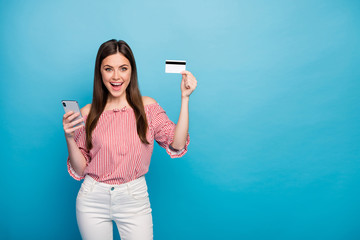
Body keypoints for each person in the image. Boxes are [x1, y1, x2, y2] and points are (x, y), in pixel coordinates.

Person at [62, 39, 197, 240]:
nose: (116, 76)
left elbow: (177, 144)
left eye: (123, 68)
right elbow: (80, 169)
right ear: (100, 72)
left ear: (131, 71)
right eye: (108, 69)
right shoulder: (87, 113)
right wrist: (70, 138)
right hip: (93, 198)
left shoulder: (147, 108)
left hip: (134, 198)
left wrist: (185, 98)